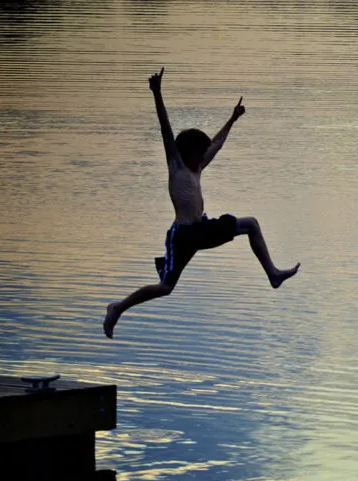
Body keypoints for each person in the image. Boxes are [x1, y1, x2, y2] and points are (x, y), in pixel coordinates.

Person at [104, 68, 299, 339]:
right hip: (182, 237)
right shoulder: (177, 166)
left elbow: (217, 144)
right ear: (187, 151)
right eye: (200, 151)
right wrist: (157, 94)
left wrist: (232, 119)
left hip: (200, 229)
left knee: (251, 225)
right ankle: (118, 308)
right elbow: (165, 128)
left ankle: (273, 274)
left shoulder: (197, 168)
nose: (204, 155)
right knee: (165, 288)